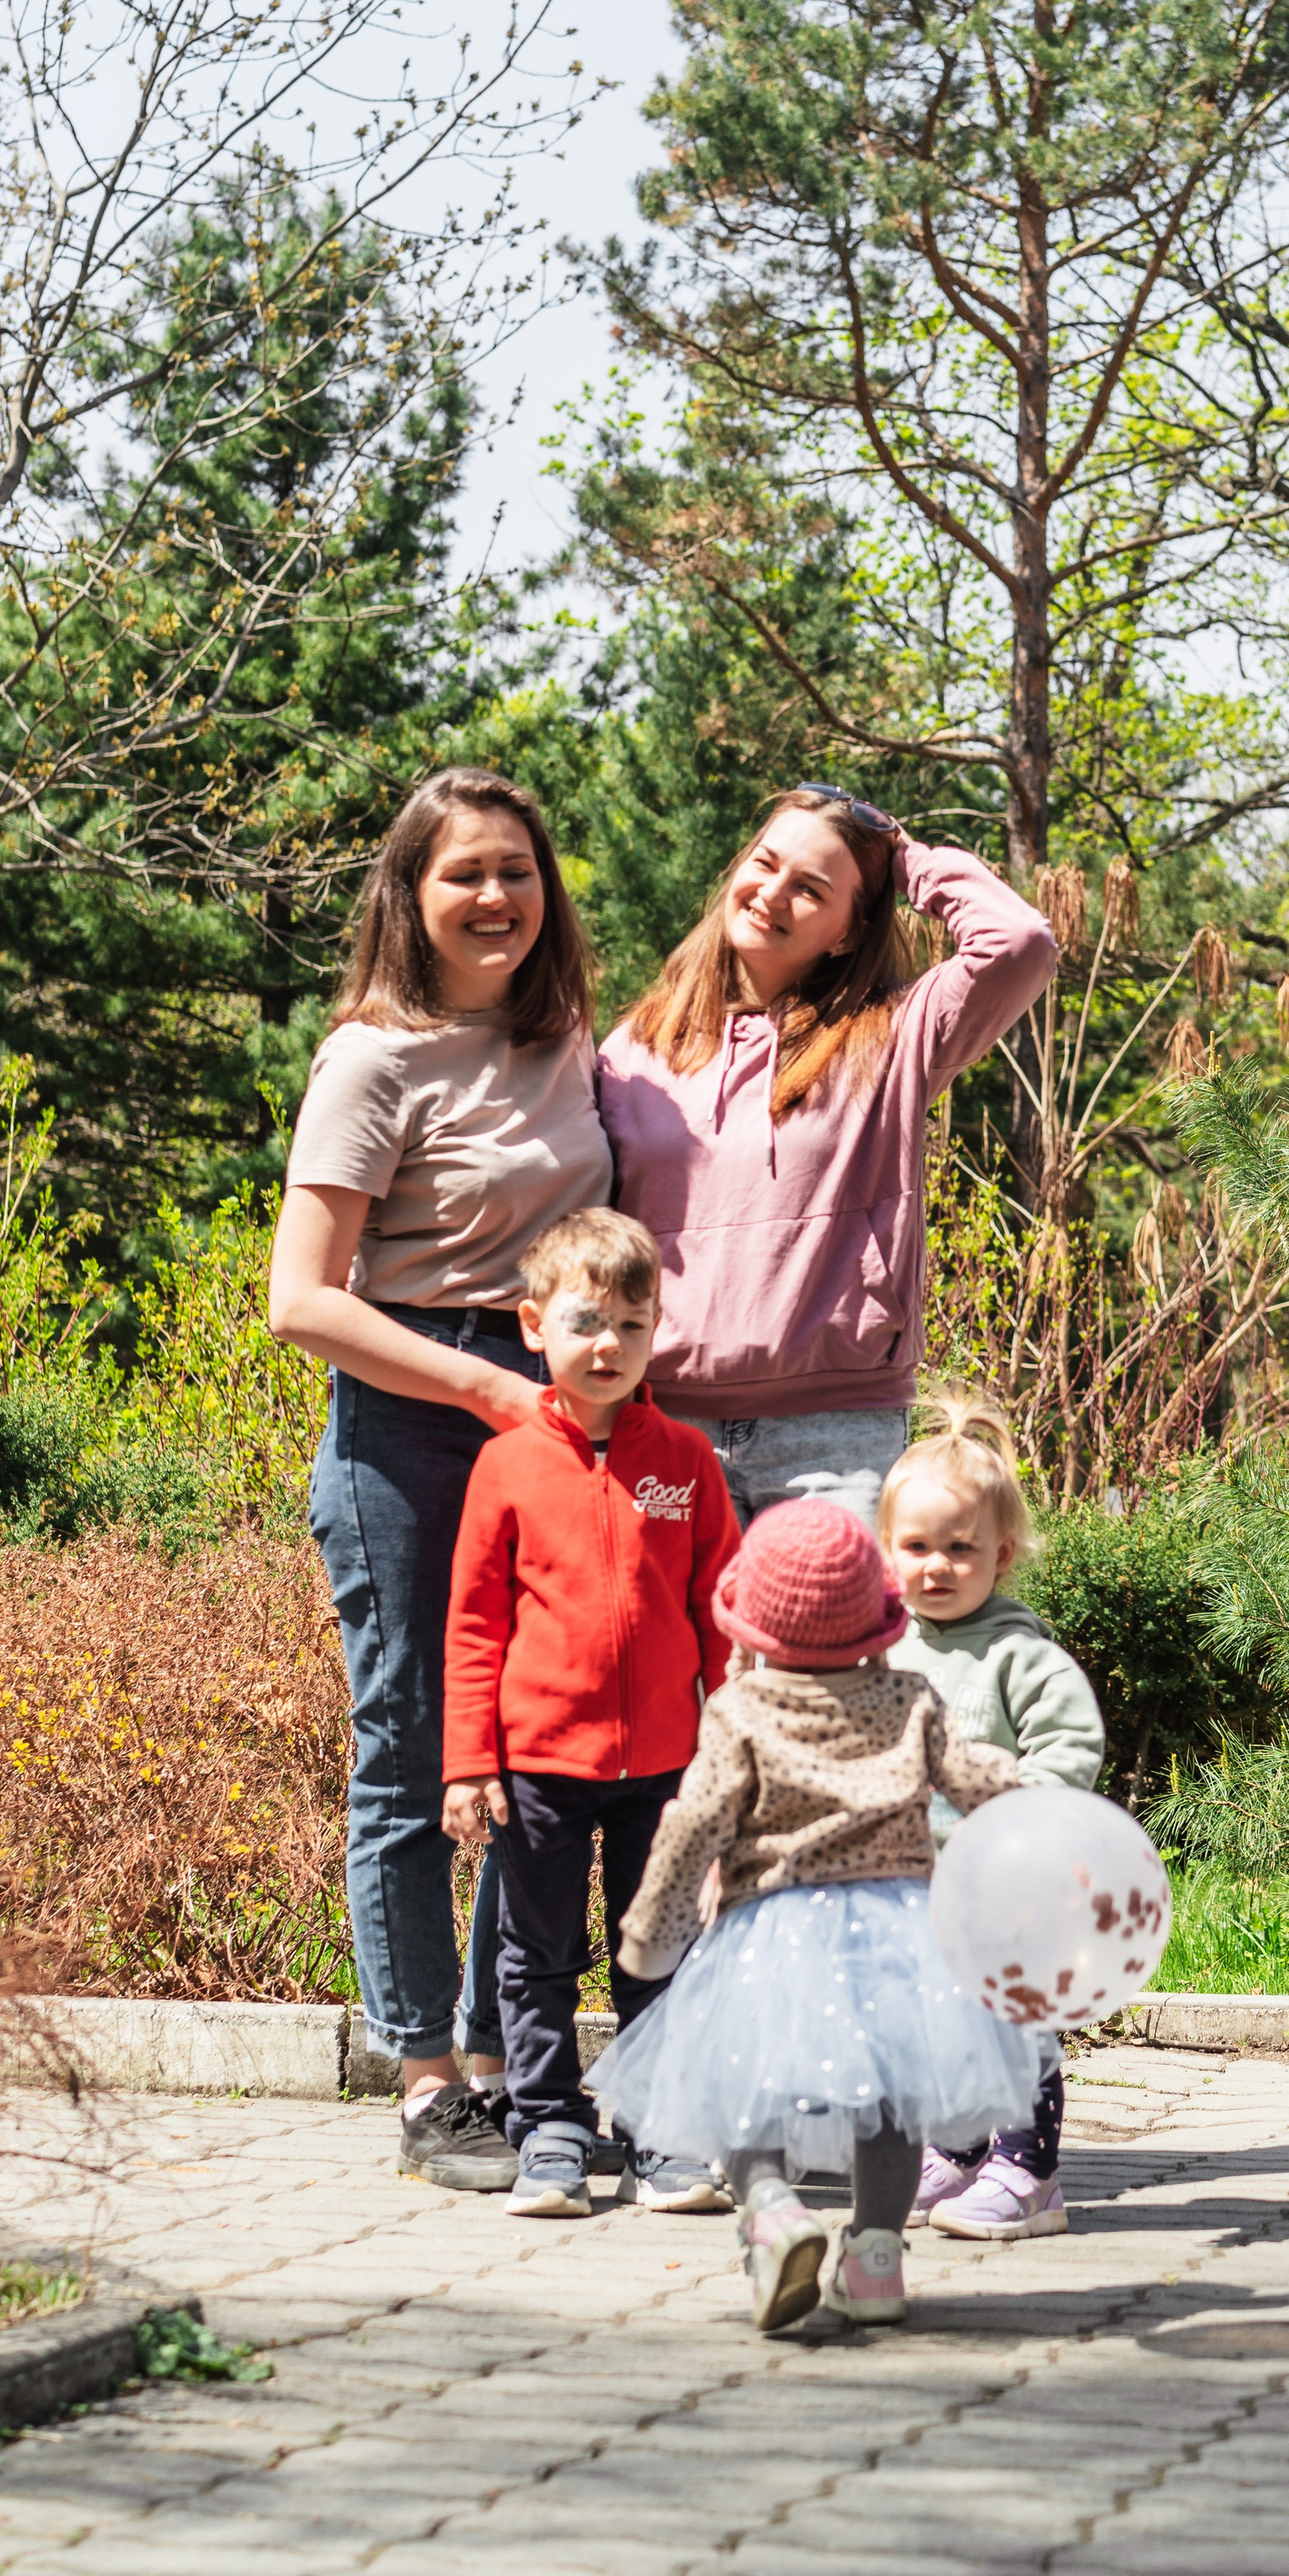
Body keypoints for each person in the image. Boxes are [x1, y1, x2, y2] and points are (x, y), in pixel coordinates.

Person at [269, 767, 612, 2194]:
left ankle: (504, 2056)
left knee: (532, 1755)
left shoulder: (568, 1041)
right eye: (465, 873)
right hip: (411, 1426)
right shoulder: (372, 1060)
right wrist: (478, 1382)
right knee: (412, 1749)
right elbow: (300, 1300)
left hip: (544, 1423)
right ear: (410, 894)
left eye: (517, 873)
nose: (495, 898)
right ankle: (425, 2083)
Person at [588, 1498, 1050, 2334]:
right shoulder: (911, 1698)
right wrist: (1038, 1810)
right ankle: (874, 2259)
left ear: (754, 1625)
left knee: (741, 2085)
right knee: (892, 2104)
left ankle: (771, 2213)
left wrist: (651, 1936)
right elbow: (975, 1777)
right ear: (876, 1619)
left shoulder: (741, 1711)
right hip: (903, 1932)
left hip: (774, 1928)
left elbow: (695, 1823)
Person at [597, 786, 1056, 1529]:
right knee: (673, 1649)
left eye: (811, 889)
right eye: (765, 863)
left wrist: (903, 858)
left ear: (848, 931)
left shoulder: (894, 1032)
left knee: (822, 1649)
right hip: (662, 1421)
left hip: (833, 1436)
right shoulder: (635, 1049)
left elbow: (1019, 942)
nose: (772, 893)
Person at [440, 1208, 741, 2218]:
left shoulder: (688, 1463)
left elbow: (722, 1618)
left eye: (630, 1324)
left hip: (665, 1765)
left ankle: (658, 2135)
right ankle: (550, 2131)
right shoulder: (507, 1465)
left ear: (658, 1330)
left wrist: (732, 1748)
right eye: (584, 1323)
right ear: (536, 1330)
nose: (607, 1345)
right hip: (538, 1767)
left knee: (657, 1950)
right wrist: (467, 1763)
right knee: (538, 1958)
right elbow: (475, 1626)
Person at [880, 1392, 1106, 2243]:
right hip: (917, 1875)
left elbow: (1069, 1737)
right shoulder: (888, 1644)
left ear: (1001, 1554)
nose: (936, 1566)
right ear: (887, 1551)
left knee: (1016, 2019)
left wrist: (1027, 1812)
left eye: (960, 1549)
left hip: (1010, 1877)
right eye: (917, 1548)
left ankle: (1027, 2168)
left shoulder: (1017, 1647)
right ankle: (959, 2146)